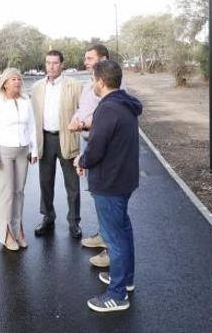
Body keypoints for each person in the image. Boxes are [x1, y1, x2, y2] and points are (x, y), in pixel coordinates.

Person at [77, 59, 142, 313]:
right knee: (123, 232)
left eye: (93, 79)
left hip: (110, 183)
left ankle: (117, 295)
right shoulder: (126, 104)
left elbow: (96, 148)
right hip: (124, 180)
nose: (92, 84)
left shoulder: (107, 109)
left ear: (101, 81)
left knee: (114, 239)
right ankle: (125, 280)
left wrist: (82, 160)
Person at [69, 43, 123, 267]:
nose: (86, 61)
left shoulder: (111, 86)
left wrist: (82, 124)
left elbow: (104, 118)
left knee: (108, 200)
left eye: (90, 58)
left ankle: (112, 251)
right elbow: (86, 108)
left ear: (104, 60)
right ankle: (104, 236)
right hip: (88, 141)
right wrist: (76, 117)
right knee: (98, 195)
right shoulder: (92, 82)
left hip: (100, 144)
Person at [29, 50, 83, 238]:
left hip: (66, 138)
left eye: (54, 63)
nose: (51, 66)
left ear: (62, 65)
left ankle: (74, 222)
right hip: (45, 139)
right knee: (45, 182)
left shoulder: (74, 85)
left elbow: (83, 111)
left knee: (72, 184)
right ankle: (48, 217)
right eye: (48, 63)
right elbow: (31, 117)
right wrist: (31, 146)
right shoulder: (36, 87)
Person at [0, 68, 38, 251]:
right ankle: (6, 234)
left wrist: (34, 150)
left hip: (23, 150)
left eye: (19, 79)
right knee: (7, 194)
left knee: (19, 192)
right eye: (13, 79)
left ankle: (18, 231)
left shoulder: (25, 100)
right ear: (5, 83)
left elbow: (32, 126)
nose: (17, 82)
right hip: (4, 152)